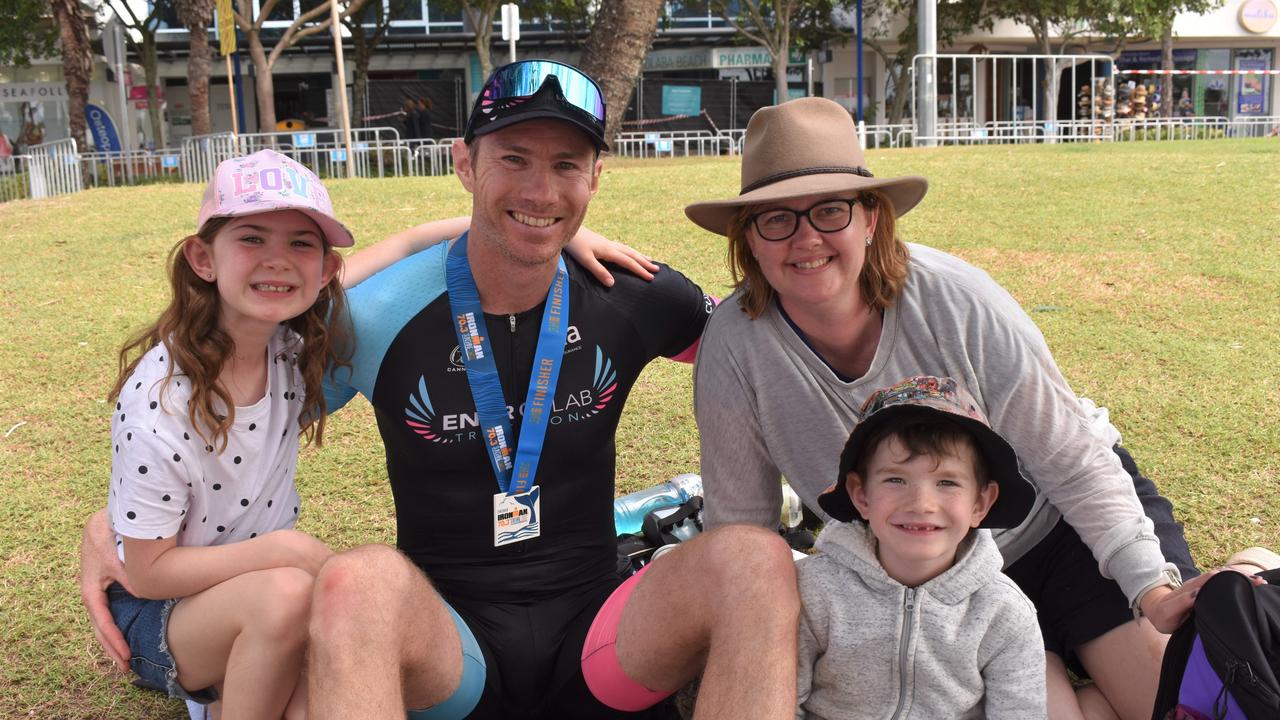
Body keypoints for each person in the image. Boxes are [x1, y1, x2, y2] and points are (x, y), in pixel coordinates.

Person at [84, 59, 799, 719]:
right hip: (449, 656)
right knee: (353, 582)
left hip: (603, 640)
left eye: (566, 165)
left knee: (753, 560)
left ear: (596, 177)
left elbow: (767, 355)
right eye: (512, 160)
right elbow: (222, 416)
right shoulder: (370, 318)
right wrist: (111, 528)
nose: (540, 190)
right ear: (464, 164)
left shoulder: (633, 293)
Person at [687, 96, 1214, 720]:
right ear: (749, 236)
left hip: (1062, 530)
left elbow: (1072, 462)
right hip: (915, 565)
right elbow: (744, 531)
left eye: (830, 211)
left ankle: (1242, 578)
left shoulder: (958, 301)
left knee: (1184, 708)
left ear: (871, 220)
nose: (806, 239)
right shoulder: (735, 345)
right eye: (776, 218)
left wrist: (1152, 589)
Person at [102, 149, 353, 717]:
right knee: (291, 594)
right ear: (202, 257)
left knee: (332, 682)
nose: (278, 261)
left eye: (301, 243)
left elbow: (387, 261)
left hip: (258, 594)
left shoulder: (289, 349)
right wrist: (283, 550)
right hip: (162, 614)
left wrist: (479, 226)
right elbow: (146, 573)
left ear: (326, 270)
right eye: (251, 238)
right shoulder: (160, 403)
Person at [796, 375, 1045, 719]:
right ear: (861, 495)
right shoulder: (810, 591)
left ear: (981, 503)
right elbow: (777, 700)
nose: (921, 502)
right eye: (896, 479)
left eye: (947, 482)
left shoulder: (1004, 613)